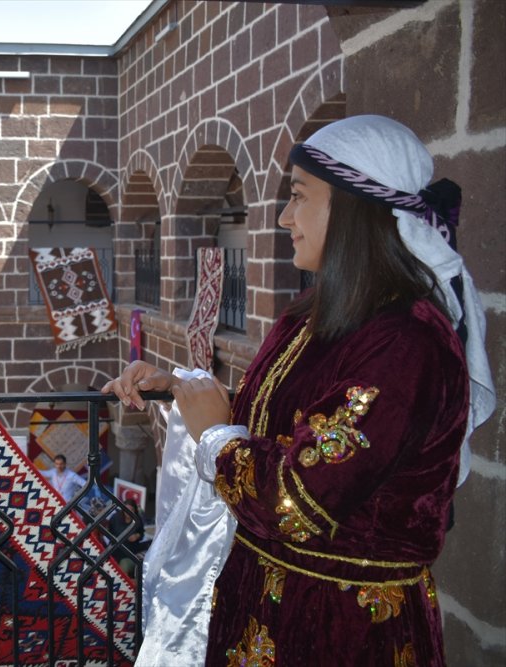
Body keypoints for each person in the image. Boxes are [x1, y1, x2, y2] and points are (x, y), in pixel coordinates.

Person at [103, 115, 494, 666]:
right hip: (262, 607)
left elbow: (296, 500)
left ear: (358, 210)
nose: (285, 217)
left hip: (343, 628)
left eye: (299, 197)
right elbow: (286, 424)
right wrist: (181, 389)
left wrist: (216, 433)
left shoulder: (407, 343)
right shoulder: (310, 318)